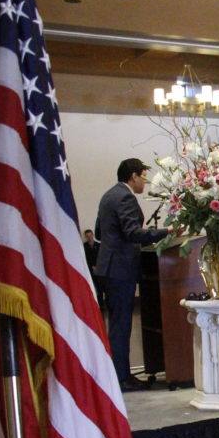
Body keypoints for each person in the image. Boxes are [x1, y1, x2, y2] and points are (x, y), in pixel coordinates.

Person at [94, 158, 172, 391]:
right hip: (120, 269)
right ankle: (121, 377)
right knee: (121, 325)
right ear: (134, 176)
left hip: (108, 268)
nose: (145, 183)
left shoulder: (109, 195)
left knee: (117, 324)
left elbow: (99, 232)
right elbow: (132, 232)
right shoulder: (126, 197)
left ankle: (119, 373)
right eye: (144, 177)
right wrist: (165, 231)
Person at [83, 229, 105, 310]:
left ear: (93, 235)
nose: (89, 237)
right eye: (87, 236)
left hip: (99, 270)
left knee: (100, 289)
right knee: (91, 288)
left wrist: (97, 266)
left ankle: (101, 305)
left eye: (90, 235)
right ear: (85, 237)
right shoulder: (84, 246)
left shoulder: (99, 245)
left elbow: (101, 258)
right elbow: (85, 258)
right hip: (89, 270)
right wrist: (91, 266)